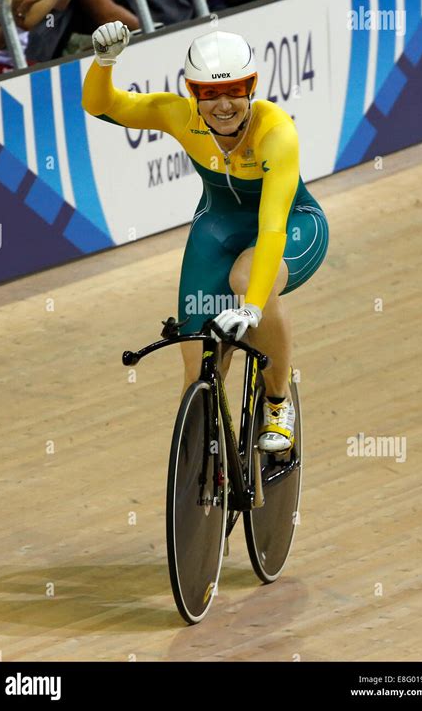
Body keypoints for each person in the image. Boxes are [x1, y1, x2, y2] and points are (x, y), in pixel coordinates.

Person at [81, 23, 329, 452]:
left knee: (248, 279)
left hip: (292, 226)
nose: (223, 104)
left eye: (234, 90)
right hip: (217, 227)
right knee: (199, 370)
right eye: (209, 93)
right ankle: (206, 465)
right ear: (193, 92)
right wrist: (104, 63)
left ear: (251, 86)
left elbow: (271, 227)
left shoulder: (276, 131)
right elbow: (104, 106)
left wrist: (251, 307)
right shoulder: (181, 116)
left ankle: (277, 401)